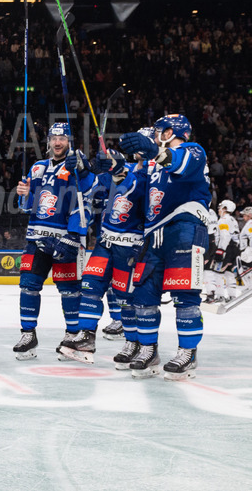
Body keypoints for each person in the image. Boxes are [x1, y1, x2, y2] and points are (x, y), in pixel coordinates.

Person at [119, 114, 212, 380]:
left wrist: (155, 153)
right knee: (143, 296)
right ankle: (149, 349)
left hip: (184, 228)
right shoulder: (151, 166)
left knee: (185, 295)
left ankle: (188, 352)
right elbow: (132, 192)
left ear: (171, 132)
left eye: (159, 131)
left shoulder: (193, 150)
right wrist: (115, 170)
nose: (155, 135)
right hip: (152, 234)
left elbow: (178, 165)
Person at [58, 130, 153, 368]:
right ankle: (86, 338)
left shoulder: (156, 174)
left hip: (131, 243)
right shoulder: (128, 167)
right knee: (90, 283)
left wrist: (118, 168)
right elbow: (95, 186)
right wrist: (82, 168)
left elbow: (140, 192)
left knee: (125, 297)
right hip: (105, 241)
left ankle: (134, 343)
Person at [12, 122, 95, 361]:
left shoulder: (77, 164)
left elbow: (87, 199)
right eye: (54, 138)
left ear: (70, 141)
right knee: (28, 285)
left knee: (69, 291)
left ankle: (72, 337)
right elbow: (28, 207)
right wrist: (23, 195)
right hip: (37, 238)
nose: (58, 142)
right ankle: (28, 335)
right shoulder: (37, 167)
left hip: (65, 239)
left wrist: (73, 235)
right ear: (48, 141)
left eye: (63, 138)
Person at [205, 200, 239, 303]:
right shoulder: (233, 219)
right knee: (228, 272)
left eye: (221, 207)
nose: (219, 209)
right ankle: (232, 296)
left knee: (217, 272)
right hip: (234, 248)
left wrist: (220, 250)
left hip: (226, 248)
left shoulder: (223, 220)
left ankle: (219, 296)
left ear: (225, 208)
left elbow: (225, 235)